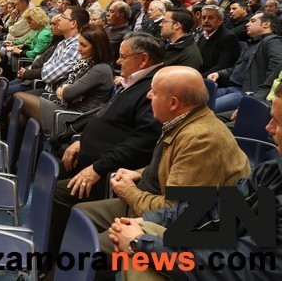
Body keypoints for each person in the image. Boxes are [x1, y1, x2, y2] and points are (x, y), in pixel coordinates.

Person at [68, 66, 250, 278]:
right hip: (153, 200)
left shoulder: (202, 139)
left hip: (185, 228)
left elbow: (178, 211)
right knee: (80, 213)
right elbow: (173, 165)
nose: (148, 95)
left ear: (173, 103)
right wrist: (138, 173)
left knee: (91, 245)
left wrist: (130, 193)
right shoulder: (183, 121)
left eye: (154, 92)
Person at [107, 82, 282, 280]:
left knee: (130, 261)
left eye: (278, 121)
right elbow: (219, 210)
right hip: (225, 251)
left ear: (173, 102)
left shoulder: (201, 138)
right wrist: (148, 221)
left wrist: (140, 244)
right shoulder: (274, 169)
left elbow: (247, 265)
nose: (269, 128)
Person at [48, 32, 165, 257]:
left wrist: (97, 169)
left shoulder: (153, 90)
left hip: (106, 172)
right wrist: (82, 140)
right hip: (90, 158)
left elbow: (140, 144)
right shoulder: (136, 82)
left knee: (56, 193)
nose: (118, 62)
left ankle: (52, 260)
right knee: (51, 171)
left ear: (143, 60)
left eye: (123, 57)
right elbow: (108, 118)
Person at [18, 24, 114, 134]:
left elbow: (68, 93)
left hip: (72, 118)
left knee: (18, 97)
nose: (78, 48)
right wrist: (67, 91)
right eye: (78, 43)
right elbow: (63, 87)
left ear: (97, 47)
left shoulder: (101, 69)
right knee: (18, 117)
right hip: (64, 107)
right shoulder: (85, 63)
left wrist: (68, 92)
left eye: (83, 45)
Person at [208, 12, 282, 113]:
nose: (247, 24)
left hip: (245, 92)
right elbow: (238, 68)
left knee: (205, 110)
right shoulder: (251, 43)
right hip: (230, 88)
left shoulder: (272, 41)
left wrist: (255, 98)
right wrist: (219, 73)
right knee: (194, 100)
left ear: (266, 24)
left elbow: (276, 70)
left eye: (253, 21)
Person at [196, 5, 241, 76]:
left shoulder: (229, 38)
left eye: (210, 18)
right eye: (203, 18)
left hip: (215, 79)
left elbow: (223, 65)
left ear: (220, 20)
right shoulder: (203, 35)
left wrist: (199, 77)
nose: (206, 21)